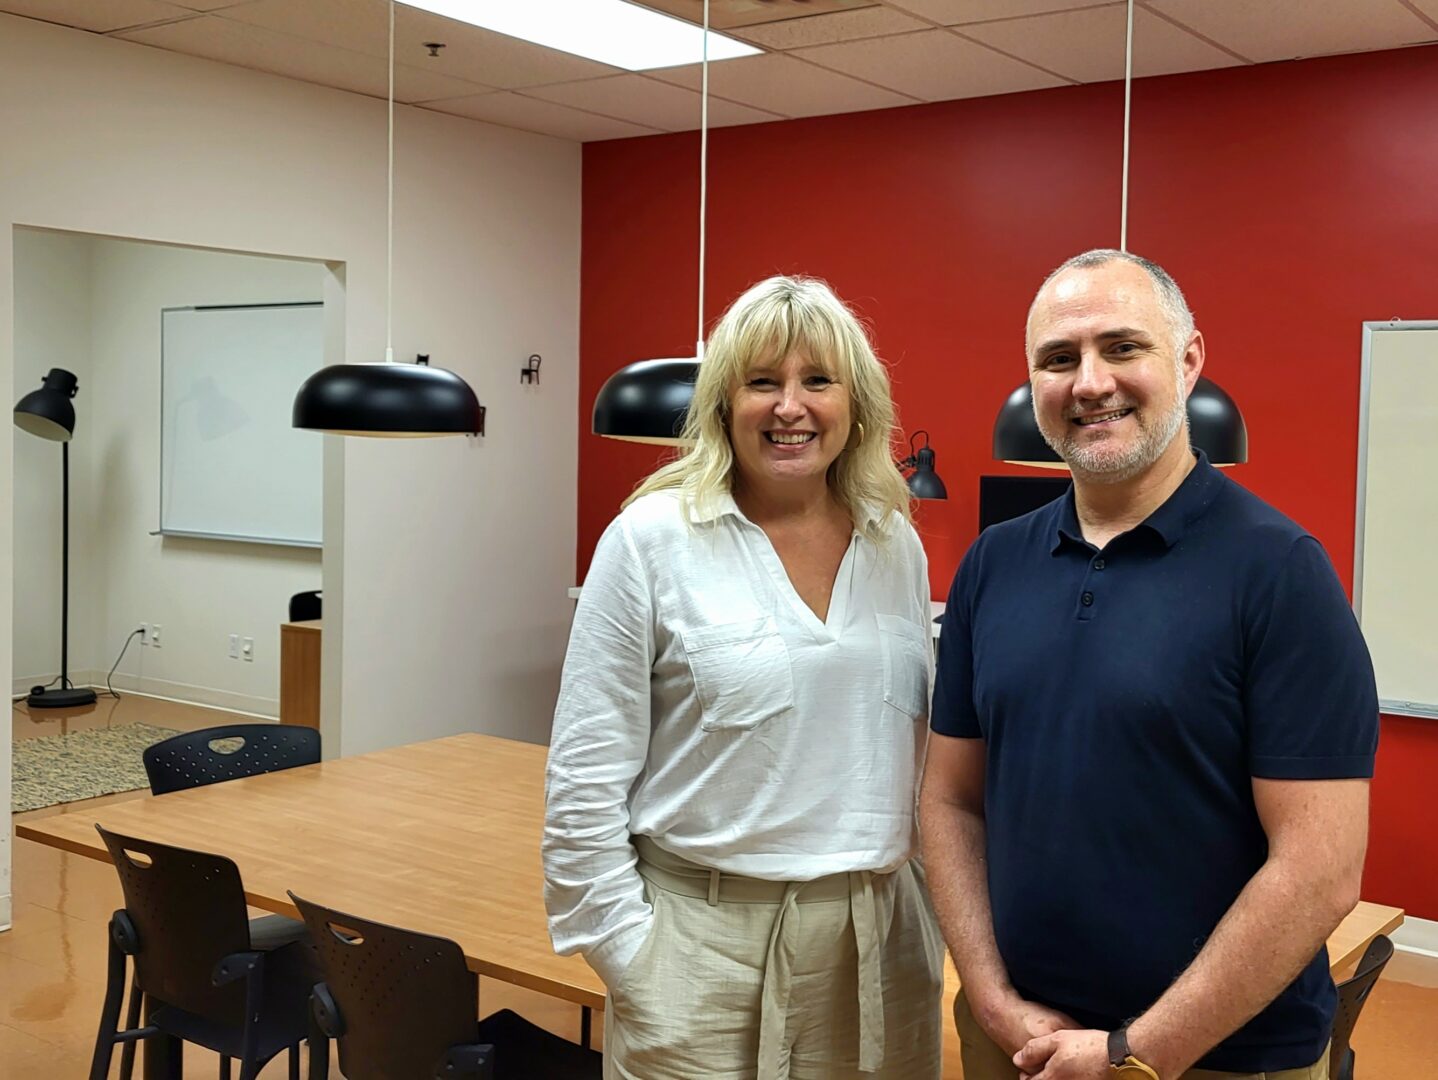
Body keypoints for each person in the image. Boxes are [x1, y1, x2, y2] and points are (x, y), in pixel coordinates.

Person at [920, 249, 1379, 1080]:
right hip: (1015, 1042)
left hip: (1221, 1059)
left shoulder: (1280, 573)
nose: (1089, 382)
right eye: (1059, 359)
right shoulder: (992, 566)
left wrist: (1139, 1051)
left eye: (1122, 347)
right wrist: (989, 996)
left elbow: (1320, 870)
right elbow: (951, 802)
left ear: (1190, 359)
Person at [544, 275, 944, 1080]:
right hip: (700, 948)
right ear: (724, 403)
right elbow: (584, 777)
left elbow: (919, 755)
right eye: (762, 381)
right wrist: (634, 960)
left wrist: (933, 925)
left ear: (857, 404)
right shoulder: (651, 540)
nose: (788, 406)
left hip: (881, 946)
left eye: (816, 381)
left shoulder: (893, 540)